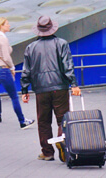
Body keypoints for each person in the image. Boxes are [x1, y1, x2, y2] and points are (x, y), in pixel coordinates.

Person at [20, 16, 81, 162]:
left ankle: (47, 152)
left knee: (43, 121)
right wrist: (74, 84)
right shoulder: (61, 43)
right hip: (60, 87)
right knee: (63, 119)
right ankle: (62, 141)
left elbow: (26, 71)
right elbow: (68, 65)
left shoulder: (31, 47)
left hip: (41, 89)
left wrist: (24, 90)